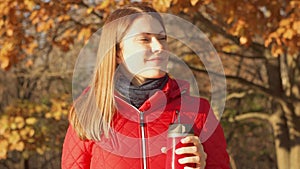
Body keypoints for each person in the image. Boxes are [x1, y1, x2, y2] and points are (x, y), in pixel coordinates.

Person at [61, 4, 230, 169]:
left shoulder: (199, 111)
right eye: (144, 39)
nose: (159, 47)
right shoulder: (89, 112)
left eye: (162, 38)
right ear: (118, 52)